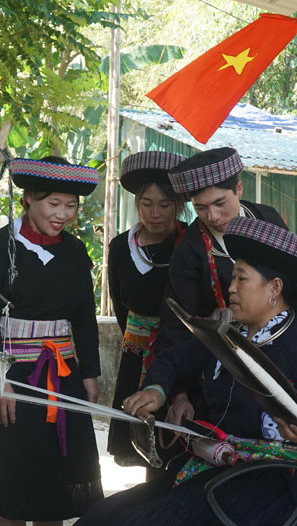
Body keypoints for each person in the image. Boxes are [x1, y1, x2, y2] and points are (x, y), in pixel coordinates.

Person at [77, 217, 297, 526]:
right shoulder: (228, 336)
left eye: (241, 279)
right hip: (217, 467)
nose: (231, 288)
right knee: (103, 516)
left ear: (274, 289)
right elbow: (173, 358)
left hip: (271, 486)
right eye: (232, 279)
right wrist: (156, 390)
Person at [0, 156, 103, 525]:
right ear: (28, 199)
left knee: (56, 478)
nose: (63, 214)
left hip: (63, 376)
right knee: (15, 479)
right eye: (53, 204)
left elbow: (84, 316)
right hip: (14, 379)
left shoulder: (74, 253)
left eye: (70, 205)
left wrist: (89, 372)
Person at [154, 147, 297, 424]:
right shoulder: (190, 248)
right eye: (200, 208)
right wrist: (179, 395)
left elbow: (294, 290)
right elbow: (176, 323)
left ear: (238, 188)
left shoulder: (268, 219)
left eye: (219, 203)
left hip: (279, 349)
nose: (212, 216)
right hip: (219, 355)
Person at [106, 151, 188, 472]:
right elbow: (120, 310)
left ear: (179, 204)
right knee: (144, 448)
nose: (155, 213)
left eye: (165, 204)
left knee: (178, 447)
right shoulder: (119, 248)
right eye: (146, 203)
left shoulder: (191, 244)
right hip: (136, 357)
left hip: (182, 357)